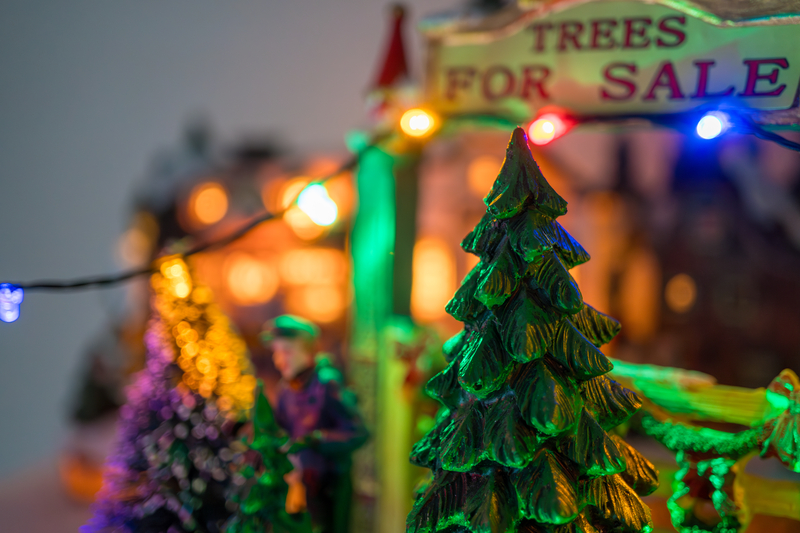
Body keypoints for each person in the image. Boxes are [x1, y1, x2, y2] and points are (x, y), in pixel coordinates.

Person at [261, 315, 368, 533]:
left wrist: (317, 439)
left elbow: (358, 432)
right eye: (276, 352)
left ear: (308, 352)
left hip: (329, 485)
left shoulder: (326, 383)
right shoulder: (285, 389)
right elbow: (278, 429)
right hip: (299, 485)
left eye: (287, 352)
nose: (280, 360)